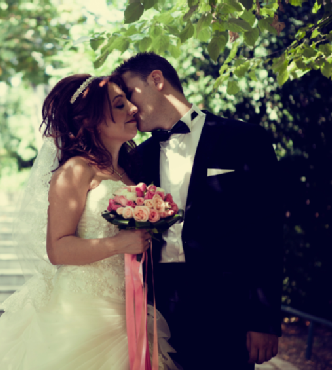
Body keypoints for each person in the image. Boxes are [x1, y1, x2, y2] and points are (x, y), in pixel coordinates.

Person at [0, 74, 180, 370]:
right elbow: (58, 249)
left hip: (128, 307)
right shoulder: (75, 171)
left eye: (128, 102)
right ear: (88, 120)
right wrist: (118, 244)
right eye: (119, 105)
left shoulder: (129, 172)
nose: (133, 109)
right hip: (82, 312)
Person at [113, 52, 283, 370]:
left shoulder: (245, 139)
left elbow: (267, 233)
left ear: (157, 80)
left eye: (131, 94)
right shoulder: (136, 159)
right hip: (157, 313)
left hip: (226, 309)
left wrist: (264, 320)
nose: (131, 109)